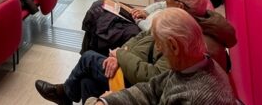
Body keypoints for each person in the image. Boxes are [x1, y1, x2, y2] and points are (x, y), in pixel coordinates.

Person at [36, 0, 236, 104]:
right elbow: (153, 86)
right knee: (87, 80)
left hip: (132, 71)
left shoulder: (185, 41)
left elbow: (153, 77)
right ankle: (70, 93)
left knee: (89, 58)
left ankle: (66, 93)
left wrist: (122, 56)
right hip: (132, 60)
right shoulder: (182, 43)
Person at [84, 8, 236, 105]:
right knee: (88, 85)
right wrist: (107, 101)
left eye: (158, 43)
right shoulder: (191, 65)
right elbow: (150, 89)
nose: (157, 48)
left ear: (174, 46)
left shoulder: (195, 97)